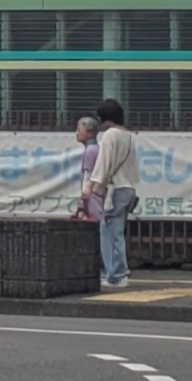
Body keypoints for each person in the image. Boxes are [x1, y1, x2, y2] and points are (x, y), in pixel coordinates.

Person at [81, 98, 140, 289]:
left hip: (115, 189)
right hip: (128, 187)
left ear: (106, 118)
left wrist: (91, 185)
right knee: (117, 231)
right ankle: (118, 272)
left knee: (109, 231)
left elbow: (103, 163)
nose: (99, 124)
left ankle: (115, 274)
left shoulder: (109, 135)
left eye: (100, 119)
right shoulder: (129, 135)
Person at [72, 116, 104, 223]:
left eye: (79, 129)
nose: (76, 133)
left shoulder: (90, 151)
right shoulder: (96, 148)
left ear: (90, 132)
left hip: (92, 196)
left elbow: (88, 175)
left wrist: (83, 200)